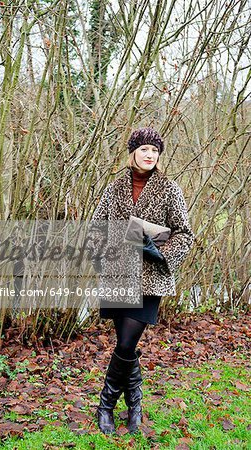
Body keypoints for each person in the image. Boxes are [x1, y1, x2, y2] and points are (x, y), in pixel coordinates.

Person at [90, 127, 195, 434]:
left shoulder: (169, 188)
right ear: (133, 152)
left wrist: (162, 253)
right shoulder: (115, 187)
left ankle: (106, 405)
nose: (150, 155)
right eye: (145, 149)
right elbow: (97, 228)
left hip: (151, 277)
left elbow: (184, 234)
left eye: (155, 151)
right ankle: (135, 404)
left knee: (125, 344)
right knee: (125, 346)